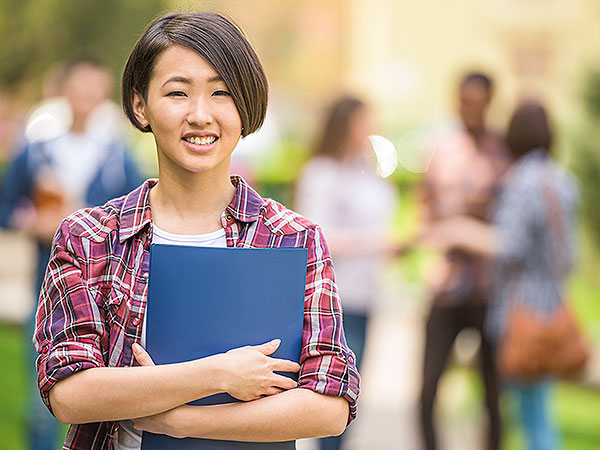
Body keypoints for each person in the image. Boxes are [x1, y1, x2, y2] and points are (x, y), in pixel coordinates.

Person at [32, 12, 360, 450]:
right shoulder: (91, 237)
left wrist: (179, 421)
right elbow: (68, 393)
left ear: (245, 106)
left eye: (221, 92)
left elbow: (330, 406)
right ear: (139, 105)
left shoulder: (292, 238)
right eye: (177, 92)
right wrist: (218, 374)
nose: (200, 115)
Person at [0, 57, 143, 450]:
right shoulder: (35, 152)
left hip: (106, 290)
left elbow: (141, 207)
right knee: (44, 392)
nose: (87, 96)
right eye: (80, 87)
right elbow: (6, 206)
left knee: (99, 391)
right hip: (47, 281)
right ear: (63, 90)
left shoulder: (116, 155)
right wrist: (31, 223)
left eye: (95, 88)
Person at [423, 101, 578, 450]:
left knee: (529, 413)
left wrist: (461, 229)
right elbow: (571, 257)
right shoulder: (562, 181)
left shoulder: (521, 181)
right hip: (553, 301)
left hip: (521, 308)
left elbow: (508, 245)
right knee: (538, 405)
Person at [296, 95, 398, 449]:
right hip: (335, 299)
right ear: (345, 124)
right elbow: (317, 235)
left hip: (367, 294)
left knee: (353, 397)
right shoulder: (322, 173)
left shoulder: (365, 170)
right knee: (334, 396)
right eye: (363, 121)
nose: (370, 129)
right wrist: (377, 243)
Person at [417, 73, 511, 450]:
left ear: (489, 102)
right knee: (427, 389)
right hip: (447, 285)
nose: (468, 109)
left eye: (476, 102)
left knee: (493, 393)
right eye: (463, 101)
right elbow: (426, 209)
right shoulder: (441, 149)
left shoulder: (503, 150)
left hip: (490, 290)